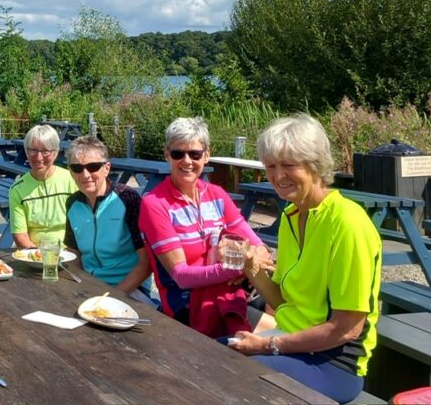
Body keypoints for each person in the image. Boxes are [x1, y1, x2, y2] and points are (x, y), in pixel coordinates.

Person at [227, 114, 382, 403]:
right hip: (292, 341)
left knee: (228, 371)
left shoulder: (347, 223)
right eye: (271, 166)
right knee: (211, 351)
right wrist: (251, 267)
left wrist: (268, 345)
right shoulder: (292, 215)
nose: (277, 175)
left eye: (289, 165)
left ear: (315, 164)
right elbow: (284, 302)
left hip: (333, 363)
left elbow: (347, 328)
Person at [138, 117, 267, 337]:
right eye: (178, 154)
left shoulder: (216, 194)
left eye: (195, 154)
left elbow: (258, 245)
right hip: (188, 302)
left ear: (206, 155)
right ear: (167, 154)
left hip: (231, 289)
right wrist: (236, 270)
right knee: (277, 331)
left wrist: (252, 260)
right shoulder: (155, 204)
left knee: (288, 309)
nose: (187, 161)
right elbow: (181, 276)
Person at [64, 135, 153, 302]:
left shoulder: (128, 199)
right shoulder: (73, 203)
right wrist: (79, 285)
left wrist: (113, 296)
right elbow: (73, 252)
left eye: (92, 167)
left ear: (107, 168)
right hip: (90, 286)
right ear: (70, 170)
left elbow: (146, 262)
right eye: (77, 168)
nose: (85, 174)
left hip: (129, 288)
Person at [9, 124, 77, 248]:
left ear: (55, 153)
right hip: (34, 252)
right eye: (33, 150)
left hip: (71, 251)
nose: (39, 157)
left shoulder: (72, 181)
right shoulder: (17, 189)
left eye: (45, 151)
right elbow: (20, 235)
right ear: (26, 152)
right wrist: (39, 256)